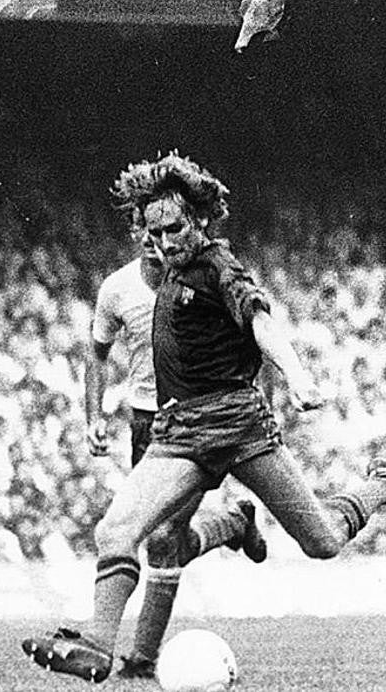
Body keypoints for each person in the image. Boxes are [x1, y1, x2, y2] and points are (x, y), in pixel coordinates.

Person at [23, 151, 386, 683]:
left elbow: (259, 320)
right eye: (153, 233)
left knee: (322, 542)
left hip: (239, 425)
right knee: (115, 529)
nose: (164, 243)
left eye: (174, 229)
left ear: (198, 220)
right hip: (179, 431)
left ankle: (384, 484)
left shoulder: (218, 266)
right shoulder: (157, 275)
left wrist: (295, 374)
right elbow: (104, 352)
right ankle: (98, 646)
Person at [84, 218, 268, 679]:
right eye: (143, 229)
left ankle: (142, 659)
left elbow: (250, 338)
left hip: (196, 419)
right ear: (133, 231)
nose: (153, 239)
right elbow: (97, 353)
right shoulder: (117, 289)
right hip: (145, 423)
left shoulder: (202, 280)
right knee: (158, 537)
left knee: (163, 539)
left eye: (161, 229)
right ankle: (230, 524)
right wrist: (93, 416)